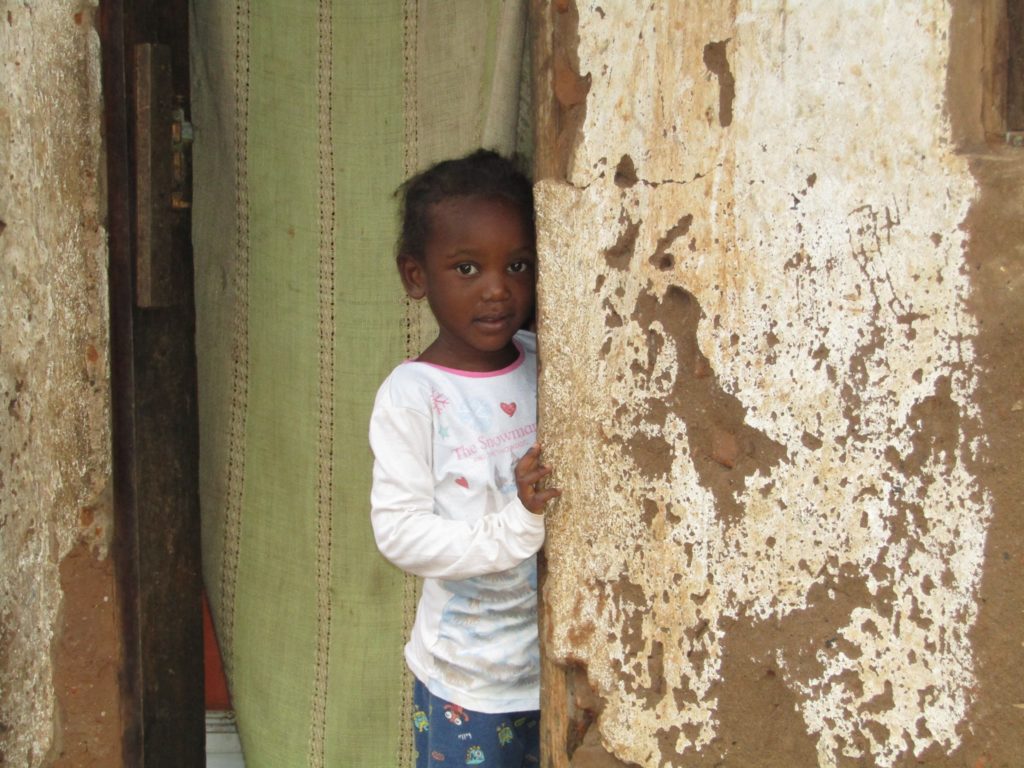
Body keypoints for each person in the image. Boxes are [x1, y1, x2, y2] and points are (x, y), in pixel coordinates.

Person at [369, 149, 560, 768]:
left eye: (518, 265)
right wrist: (517, 524)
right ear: (416, 275)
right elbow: (400, 534)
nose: (497, 288)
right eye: (467, 267)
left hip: (555, 666)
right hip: (468, 683)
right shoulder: (415, 396)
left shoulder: (546, 359)